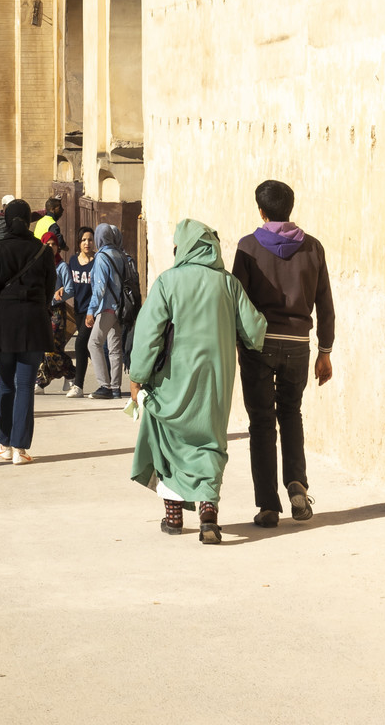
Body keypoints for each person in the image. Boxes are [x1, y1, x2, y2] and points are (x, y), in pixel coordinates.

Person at [128, 217, 265, 545]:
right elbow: (255, 331)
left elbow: (148, 335)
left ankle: (174, 516)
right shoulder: (228, 284)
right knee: (209, 443)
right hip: (214, 384)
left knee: (168, 442)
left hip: (172, 381)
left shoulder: (167, 282)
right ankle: (207, 511)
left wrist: (137, 377)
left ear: (184, 247)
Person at [231, 179, 335, 527]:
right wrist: (325, 351)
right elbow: (325, 305)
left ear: (260, 210)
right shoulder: (314, 248)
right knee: (291, 413)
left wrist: (235, 344)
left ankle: (268, 506)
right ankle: (297, 485)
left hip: (259, 346)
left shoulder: (247, 248)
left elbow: (237, 303)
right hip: (297, 347)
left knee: (261, 423)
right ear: (289, 208)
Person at [0, 197, 58, 463]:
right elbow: (49, 288)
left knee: (6, 384)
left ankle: (3, 442)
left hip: (4, 324)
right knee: (25, 386)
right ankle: (20, 449)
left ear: (7, 220)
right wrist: (37, 306)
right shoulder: (42, 251)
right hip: (33, 323)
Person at [85, 221, 137, 398]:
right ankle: (115, 388)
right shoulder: (120, 255)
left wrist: (91, 311)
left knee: (93, 343)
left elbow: (99, 287)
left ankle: (104, 386)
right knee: (115, 348)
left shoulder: (101, 257)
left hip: (106, 308)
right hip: (121, 309)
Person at [58, 226, 95, 399]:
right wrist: (61, 291)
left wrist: (93, 311)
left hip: (92, 311)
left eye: (90, 239)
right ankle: (108, 381)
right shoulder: (72, 262)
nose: (87, 243)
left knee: (80, 344)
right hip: (79, 311)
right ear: (79, 243)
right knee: (92, 348)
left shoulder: (97, 261)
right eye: (84, 240)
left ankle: (78, 385)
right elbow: (70, 287)